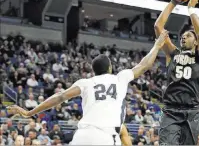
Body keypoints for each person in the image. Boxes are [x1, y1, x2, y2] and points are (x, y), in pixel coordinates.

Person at [8, 31, 168, 145]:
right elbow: (145, 64)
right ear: (110, 68)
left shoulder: (85, 82)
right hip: (105, 137)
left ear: (94, 71)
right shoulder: (120, 78)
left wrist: (29, 112)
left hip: (82, 137)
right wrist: (157, 45)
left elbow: (59, 97)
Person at [154, 0, 199, 145]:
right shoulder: (172, 53)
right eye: (182, 36)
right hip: (171, 111)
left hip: (192, 111)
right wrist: (173, 2)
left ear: (196, 42)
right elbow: (158, 26)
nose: (184, 37)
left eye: (188, 35)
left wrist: (191, 9)